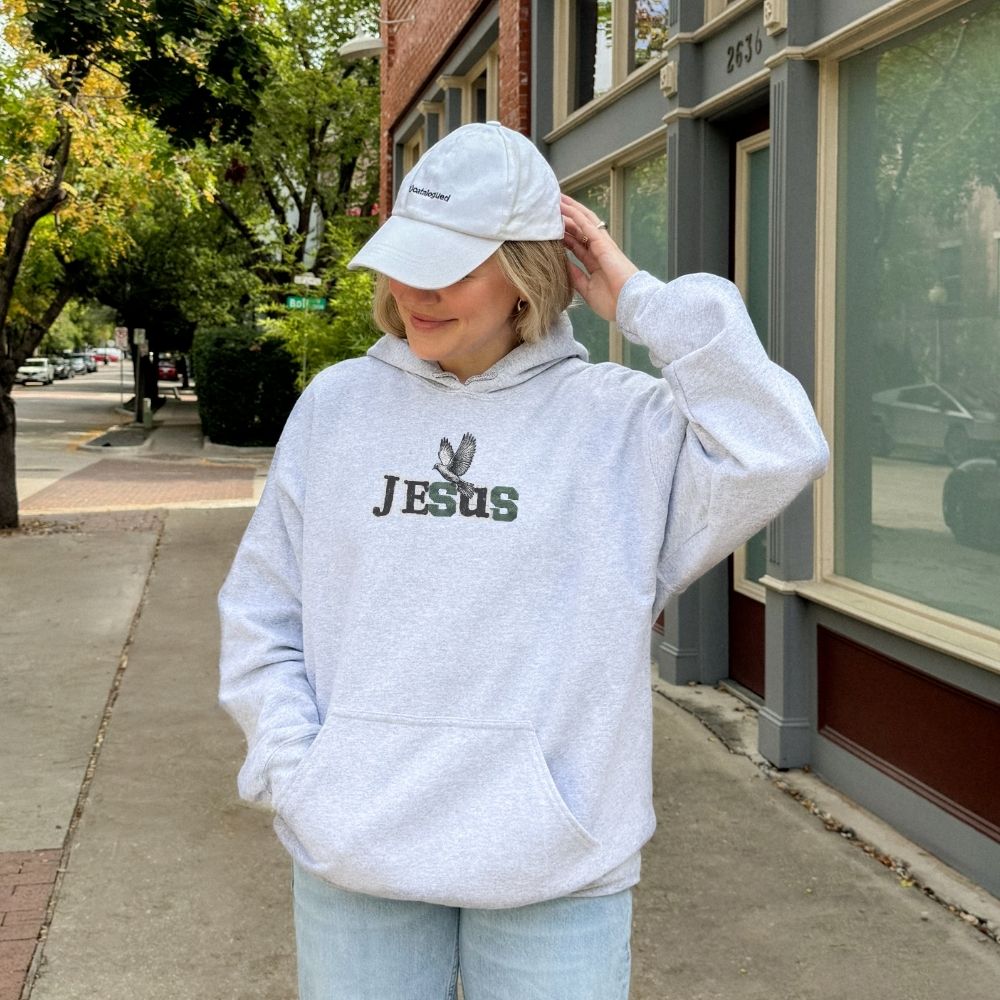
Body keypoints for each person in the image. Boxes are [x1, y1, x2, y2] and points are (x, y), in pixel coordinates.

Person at [218, 121, 828, 1000]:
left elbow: (778, 447)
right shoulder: (337, 408)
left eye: (454, 267)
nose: (416, 292)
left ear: (527, 274)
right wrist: (297, 773)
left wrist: (645, 302)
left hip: (555, 871)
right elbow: (264, 612)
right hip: (354, 854)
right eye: (405, 261)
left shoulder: (624, 425)